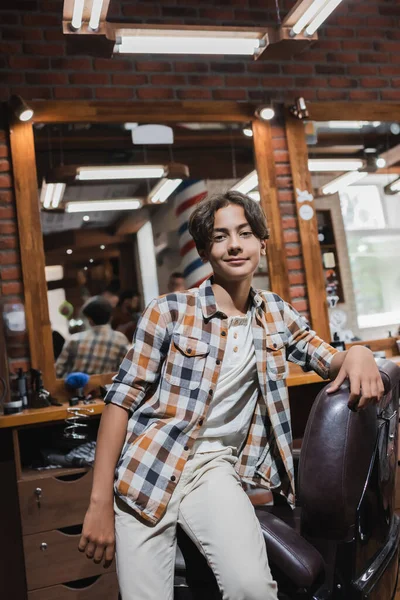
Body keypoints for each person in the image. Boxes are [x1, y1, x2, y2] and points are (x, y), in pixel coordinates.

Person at [79, 191, 384, 600]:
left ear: (262, 241)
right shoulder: (168, 311)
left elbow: (326, 356)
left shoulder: (275, 313)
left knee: (253, 588)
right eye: (221, 237)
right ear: (205, 250)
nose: (235, 244)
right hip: (147, 468)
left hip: (213, 471)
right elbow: (119, 403)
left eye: (244, 233)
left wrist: (361, 352)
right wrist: (99, 502)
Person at [55, 296, 129, 378]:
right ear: (110, 317)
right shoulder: (120, 339)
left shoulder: (74, 340)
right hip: (108, 389)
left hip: (77, 389)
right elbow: (126, 371)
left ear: (90, 320)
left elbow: (58, 372)